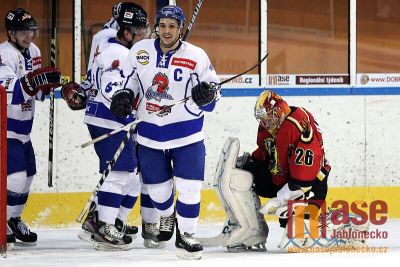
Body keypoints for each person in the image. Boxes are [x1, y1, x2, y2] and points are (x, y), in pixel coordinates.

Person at [110, 5, 220, 259]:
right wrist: (125, 94)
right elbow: (131, 81)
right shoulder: (140, 51)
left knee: (189, 187)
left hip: (187, 135)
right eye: (162, 26)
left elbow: (214, 90)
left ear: (180, 28)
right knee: (159, 193)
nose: (167, 31)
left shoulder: (196, 56)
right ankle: (168, 214)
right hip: (150, 136)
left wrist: (207, 96)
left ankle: (188, 234)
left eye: (172, 26)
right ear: (156, 27)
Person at [206, 90, 368, 251]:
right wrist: (249, 163)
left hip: (309, 187)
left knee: (296, 237)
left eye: (269, 118)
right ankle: (249, 228)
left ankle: (347, 227)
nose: (266, 123)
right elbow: (265, 151)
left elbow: (303, 179)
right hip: (282, 179)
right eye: (263, 119)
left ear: (279, 110)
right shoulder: (270, 126)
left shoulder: (298, 125)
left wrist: (279, 200)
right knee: (243, 172)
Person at [63, 2, 164, 249]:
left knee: (131, 174)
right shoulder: (114, 52)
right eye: (139, 30)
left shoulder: (122, 49)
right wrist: (121, 98)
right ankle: (103, 224)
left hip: (116, 119)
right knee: (120, 172)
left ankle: (109, 219)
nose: (144, 34)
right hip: (107, 119)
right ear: (126, 32)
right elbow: (111, 85)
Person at [0, 8, 61, 247]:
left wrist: (50, 85)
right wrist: (38, 81)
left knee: (28, 177)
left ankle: (14, 220)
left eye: (31, 30)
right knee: (14, 179)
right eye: (22, 31)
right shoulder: (3, 54)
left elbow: (37, 90)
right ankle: (2, 222)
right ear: (11, 33)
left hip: (24, 130)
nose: (28, 36)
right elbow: (12, 90)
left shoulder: (34, 51)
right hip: (5, 129)